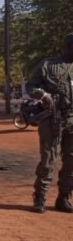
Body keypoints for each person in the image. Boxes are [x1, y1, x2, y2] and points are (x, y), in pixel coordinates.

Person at [27, 33, 73, 213]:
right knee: (48, 159)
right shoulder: (48, 65)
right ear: (68, 46)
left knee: (71, 160)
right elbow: (30, 86)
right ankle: (40, 197)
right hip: (53, 117)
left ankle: (64, 197)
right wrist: (43, 95)